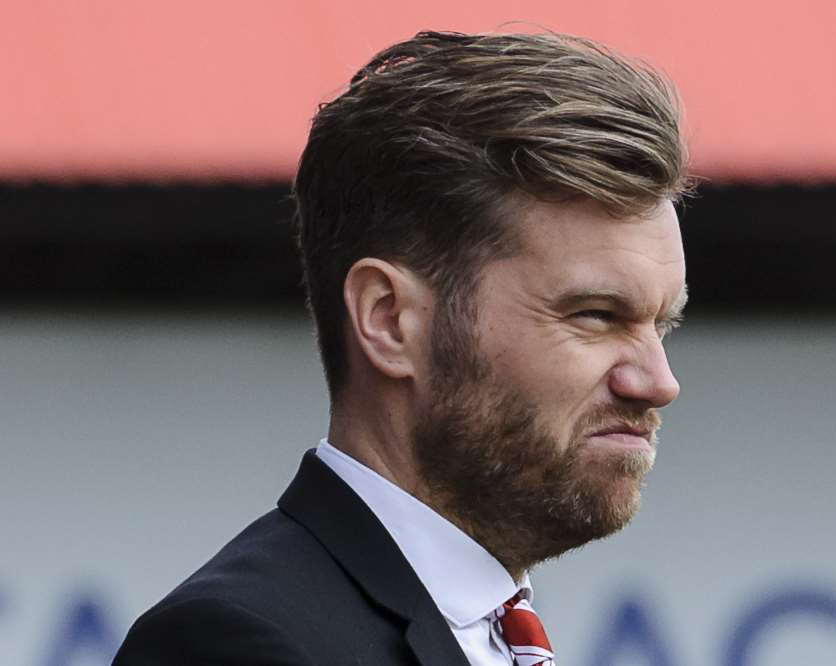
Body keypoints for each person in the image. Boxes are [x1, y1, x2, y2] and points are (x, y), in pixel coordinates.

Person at [112, 30, 690, 666]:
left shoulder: (484, 630)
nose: (658, 381)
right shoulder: (236, 645)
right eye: (597, 315)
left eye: (662, 324)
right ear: (389, 321)